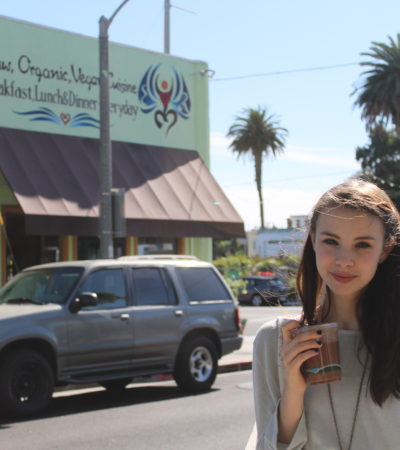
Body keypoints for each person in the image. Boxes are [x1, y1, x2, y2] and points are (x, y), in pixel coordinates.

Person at [247, 178, 400, 449]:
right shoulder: (277, 340)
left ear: (384, 250)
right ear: (313, 240)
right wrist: (293, 393)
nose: (344, 260)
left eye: (362, 244)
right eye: (331, 241)